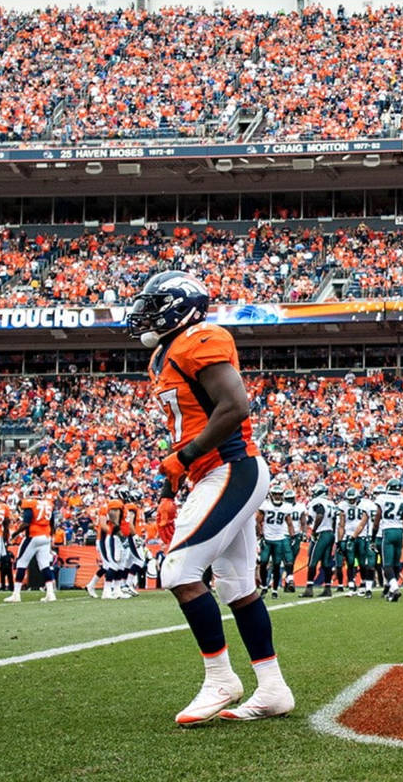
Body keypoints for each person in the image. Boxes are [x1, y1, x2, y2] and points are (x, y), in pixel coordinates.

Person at [129, 269, 292, 724]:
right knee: (239, 588)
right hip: (210, 472)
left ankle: (220, 678)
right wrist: (168, 489)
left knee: (179, 570)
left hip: (231, 468)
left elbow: (236, 407)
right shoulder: (164, 354)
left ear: (181, 307)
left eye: (155, 303)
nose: (146, 312)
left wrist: (184, 462)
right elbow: (185, 433)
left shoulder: (201, 337)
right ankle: (273, 689)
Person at [9, 491, 58, 603]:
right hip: (46, 536)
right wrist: (51, 536)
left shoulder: (30, 503)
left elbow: (26, 522)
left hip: (34, 536)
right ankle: (50, 593)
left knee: (21, 563)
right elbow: (52, 522)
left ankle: (16, 594)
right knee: (45, 565)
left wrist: (15, 534)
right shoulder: (48, 504)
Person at [257, 486, 299, 598]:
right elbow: (258, 521)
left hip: (279, 539)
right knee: (263, 563)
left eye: (279, 494)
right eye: (275, 494)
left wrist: (292, 536)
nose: (277, 496)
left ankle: (274, 590)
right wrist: (260, 534)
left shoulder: (286, 507)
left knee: (276, 565)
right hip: (267, 539)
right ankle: (264, 586)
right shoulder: (265, 505)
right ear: (271, 495)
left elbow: (289, 523)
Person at [301, 483, 337, 599]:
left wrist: (315, 530)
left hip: (321, 533)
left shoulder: (318, 502)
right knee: (326, 563)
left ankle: (309, 588)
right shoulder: (331, 503)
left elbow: (320, 514)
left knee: (312, 561)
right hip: (330, 532)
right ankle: (327, 588)